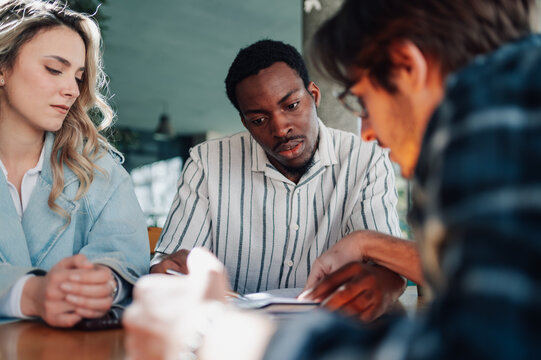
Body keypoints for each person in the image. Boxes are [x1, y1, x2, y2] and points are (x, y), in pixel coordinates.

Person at [124, 0, 541, 358]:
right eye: (259, 118)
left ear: (407, 68)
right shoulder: (513, 99)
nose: (370, 130)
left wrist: (228, 339)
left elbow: (480, 348)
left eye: (361, 99)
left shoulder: (493, 127)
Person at [151, 39, 419, 317]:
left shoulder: (366, 159)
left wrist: (384, 284)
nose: (280, 129)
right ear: (245, 123)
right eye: (259, 120)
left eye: (291, 105)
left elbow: (389, 265)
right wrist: (166, 268)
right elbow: (166, 263)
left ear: (314, 96)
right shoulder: (207, 163)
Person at [0, 0, 149, 328]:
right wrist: (29, 292)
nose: (71, 90)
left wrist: (102, 284)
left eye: (79, 77)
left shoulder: (101, 172)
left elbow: (127, 258)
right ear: (2, 68)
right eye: (54, 69)